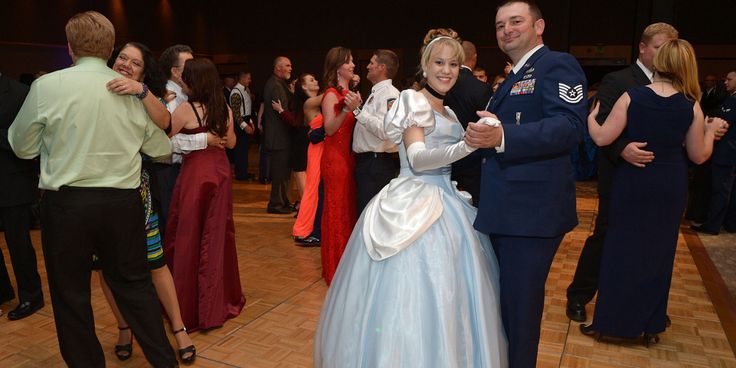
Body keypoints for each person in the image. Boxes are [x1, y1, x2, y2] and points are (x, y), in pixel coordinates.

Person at [314, 28, 507, 367]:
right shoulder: (412, 100)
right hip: (412, 201)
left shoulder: (447, 112)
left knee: (449, 298)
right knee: (406, 297)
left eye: (452, 64)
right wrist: (467, 145)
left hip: (447, 202)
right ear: (425, 65)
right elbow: (417, 158)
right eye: (438, 63)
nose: (445, 70)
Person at [8, 11, 177, 367]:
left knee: (71, 296)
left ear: (70, 48)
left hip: (67, 205)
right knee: (135, 287)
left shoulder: (46, 87)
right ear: (110, 48)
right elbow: (161, 151)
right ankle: (164, 360)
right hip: (122, 204)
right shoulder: (130, 92)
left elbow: (22, 147)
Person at [464, 1, 587, 367]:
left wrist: (504, 136)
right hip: (508, 211)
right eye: (500, 25)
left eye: (516, 21)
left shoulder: (556, 64)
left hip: (532, 215)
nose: (506, 30)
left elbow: (569, 127)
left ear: (539, 26)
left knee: (519, 311)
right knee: (506, 306)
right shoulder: (515, 76)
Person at [580, 39, 724, 344]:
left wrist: (592, 119)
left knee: (620, 250)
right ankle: (648, 325)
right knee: (658, 255)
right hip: (669, 185)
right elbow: (699, 156)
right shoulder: (691, 105)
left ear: (659, 63)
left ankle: (609, 322)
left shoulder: (632, 97)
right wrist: (710, 133)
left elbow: (604, 139)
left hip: (633, 181)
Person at [566, 22, 679, 323]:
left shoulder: (678, 84)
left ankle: (643, 306)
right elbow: (600, 125)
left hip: (658, 178)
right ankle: (579, 295)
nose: (663, 53)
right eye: (658, 47)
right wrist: (623, 148)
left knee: (648, 244)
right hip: (619, 174)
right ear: (643, 48)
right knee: (606, 235)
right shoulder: (618, 80)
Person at [98, 41, 195, 363]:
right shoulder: (94, 89)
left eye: (135, 62)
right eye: (122, 57)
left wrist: (140, 91)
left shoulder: (144, 96)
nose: (125, 64)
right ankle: (124, 326)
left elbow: (165, 125)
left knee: (156, 263)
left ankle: (178, 328)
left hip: (137, 194)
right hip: (97, 195)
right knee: (106, 267)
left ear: (144, 72)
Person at [164, 58, 245, 332]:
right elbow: (231, 143)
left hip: (196, 175)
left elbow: (163, 140)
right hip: (220, 172)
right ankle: (215, 302)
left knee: (188, 235)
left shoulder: (186, 109)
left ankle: (188, 307)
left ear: (193, 80)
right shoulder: (223, 109)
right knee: (217, 234)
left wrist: (195, 140)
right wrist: (210, 139)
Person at [0, 71, 44, 321]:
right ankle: (2, 291)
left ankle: (32, 295)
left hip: (13, 182)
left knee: (18, 244)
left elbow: (29, 139)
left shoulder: (20, 93)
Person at [319, 47, 359, 285]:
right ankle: (335, 268)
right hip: (335, 160)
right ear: (338, 68)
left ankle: (344, 265)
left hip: (347, 158)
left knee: (346, 210)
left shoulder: (347, 92)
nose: (353, 65)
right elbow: (330, 128)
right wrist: (347, 109)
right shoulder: (331, 95)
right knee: (336, 212)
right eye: (349, 61)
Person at [346, 49, 401, 215]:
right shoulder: (376, 92)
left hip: (376, 164)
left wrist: (358, 111)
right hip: (369, 163)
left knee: (370, 215)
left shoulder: (390, 94)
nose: (368, 67)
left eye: (371, 63)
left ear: (382, 67)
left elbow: (386, 131)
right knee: (365, 213)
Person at [445, 39, 493, 206]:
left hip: (443, 157)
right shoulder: (481, 88)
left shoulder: (442, 85)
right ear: (475, 58)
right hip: (473, 159)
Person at [693, 70, 736, 235]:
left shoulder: (733, 100)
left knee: (721, 190)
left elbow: (722, 122)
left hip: (727, 151)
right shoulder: (729, 98)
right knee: (728, 190)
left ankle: (712, 225)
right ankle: (729, 224)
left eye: (730, 79)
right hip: (729, 151)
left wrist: (710, 123)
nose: (725, 82)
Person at [263, 56, 295, 214]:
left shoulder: (279, 84)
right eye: (287, 66)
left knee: (283, 173)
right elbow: (284, 111)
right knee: (279, 174)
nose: (290, 69)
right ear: (278, 68)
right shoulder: (275, 85)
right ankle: (276, 204)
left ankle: (283, 202)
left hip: (280, 137)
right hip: (278, 138)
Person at [229, 71, 256, 181]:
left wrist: (251, 122)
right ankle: (240, 174)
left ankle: (244, 172)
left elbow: (246, 109)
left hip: (245, 119)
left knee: (244, 149)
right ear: (242, 78)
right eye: (248, 78)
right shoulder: (236, 92)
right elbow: (236, 113)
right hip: (239, 124)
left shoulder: (246, 90)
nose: (250, 81)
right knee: (240, 149)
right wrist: (245, 126)